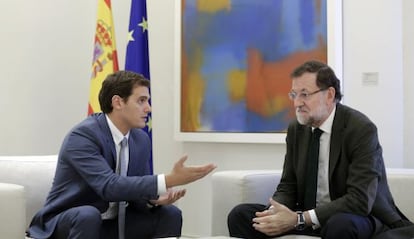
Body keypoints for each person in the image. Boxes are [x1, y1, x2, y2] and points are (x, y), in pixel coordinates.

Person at [227, 60, 414, 239]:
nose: (297, 103)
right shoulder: (296, 129)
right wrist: (276, 212)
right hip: (306, 218)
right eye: (294, 94)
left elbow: (359, 200)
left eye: (305, 94)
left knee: (340, 225)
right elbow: (288, 185)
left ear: (330, 95)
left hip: (357, 217)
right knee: (241, 215)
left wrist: (300, 218)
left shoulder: (360, 129)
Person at [27, 71, 216, 239]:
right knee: (88, 215)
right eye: (141, 101)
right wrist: (168, 180)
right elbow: (109, 187)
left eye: (147, 101)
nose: (148, 108)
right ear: (118, 102)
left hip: (111, 225)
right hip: (69, 223)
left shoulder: (141, 140)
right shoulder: (83, 136)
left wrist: (153, 199)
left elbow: (132, 188)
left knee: (169, 214)